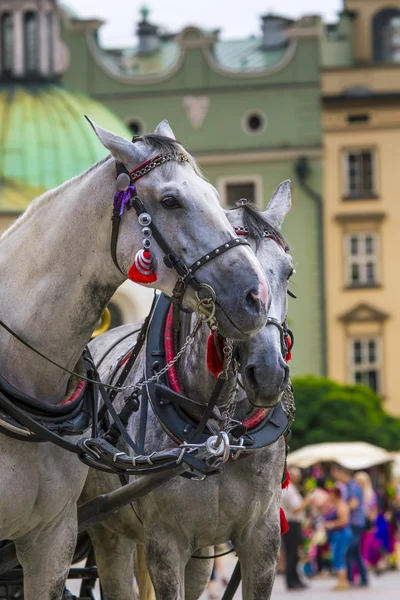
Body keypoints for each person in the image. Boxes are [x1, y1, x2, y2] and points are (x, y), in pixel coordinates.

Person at [331, 465, 368, 587]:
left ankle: (350, 579)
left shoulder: (352, 486)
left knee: (349, 551)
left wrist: (343, 507)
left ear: (343, 474)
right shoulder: (350, 486)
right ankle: (361, 578)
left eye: (336, 473)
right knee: (355, 552)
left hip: (355, 522)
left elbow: (354, 503)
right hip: (356, 522)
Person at [281, 467, 309, 590]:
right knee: (293, 553)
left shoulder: (288, 488)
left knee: (293, 553)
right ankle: (292, 580)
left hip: (291, 523)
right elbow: (296, 508)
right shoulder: (289, 489)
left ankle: (294, 578)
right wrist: (307, 500)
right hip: (292, 524)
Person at [324, 486, 352, 590]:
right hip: (336, 534)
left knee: (339, 556)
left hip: (341, 534)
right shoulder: (334, 506)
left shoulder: (341, 506)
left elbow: (343, 521)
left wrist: (330, 524)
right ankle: (341, 581)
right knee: (336, 557)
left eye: (330, 494)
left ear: (335, 495)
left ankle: (343, 582)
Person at [354, 471, 378, 569]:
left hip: (367, 525)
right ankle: (355, 573)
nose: (359, 484)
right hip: (356, 525)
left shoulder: (371, 495)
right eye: (357, 482)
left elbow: (374, 512)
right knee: (355, 549)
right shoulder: (353, 495)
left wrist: (369, 517)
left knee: (365, 551)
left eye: (361, 482)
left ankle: (363, 574)